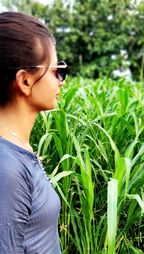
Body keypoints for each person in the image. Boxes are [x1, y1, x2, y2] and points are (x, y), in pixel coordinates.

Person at [0, 11, 68, 253]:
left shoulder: (17, 146)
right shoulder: (6, 168)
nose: (61, 81)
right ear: (25, 81)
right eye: (56, 70)